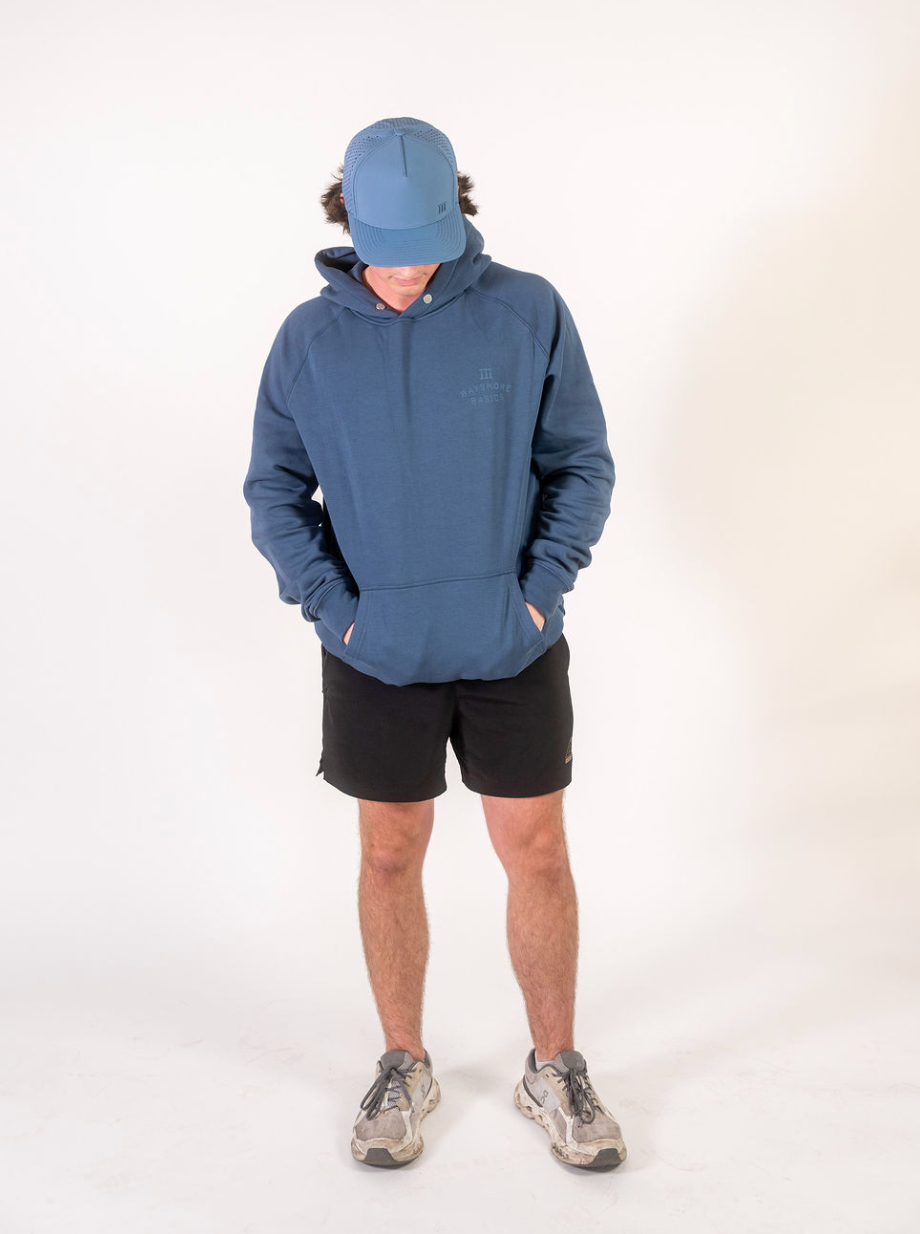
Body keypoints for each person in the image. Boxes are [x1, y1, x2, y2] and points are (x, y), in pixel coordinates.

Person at [243, 117, 626, 1172]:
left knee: (536, 851)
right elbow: (274, 491)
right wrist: (338, 611)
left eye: (426, 246)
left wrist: (538, 595)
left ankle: (554, 1065)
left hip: (512, 646)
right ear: (348, 225)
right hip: (375, 653)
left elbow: (581, 463)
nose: (408, 270)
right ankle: (403, 1062)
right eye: (388, 249)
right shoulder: (307, 341)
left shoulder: (526, 309)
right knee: (387, 852)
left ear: (458, 217)